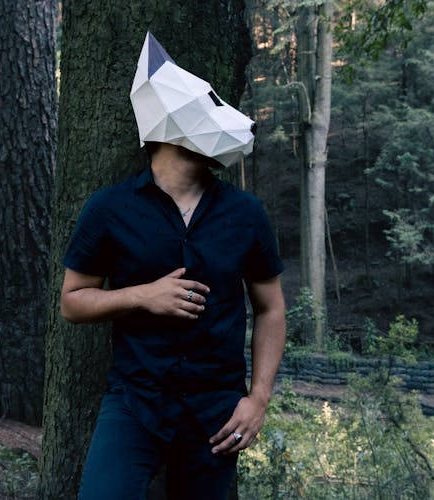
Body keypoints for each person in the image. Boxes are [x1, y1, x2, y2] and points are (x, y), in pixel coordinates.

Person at [61, 33, 286, 500]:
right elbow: (72, 302)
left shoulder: (245, 214)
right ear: (170, 121)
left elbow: (271, 309)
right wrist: (142, 295)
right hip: (135, 403)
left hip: (217, 412)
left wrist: (258, 399)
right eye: (207, 105)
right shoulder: (109, 209)